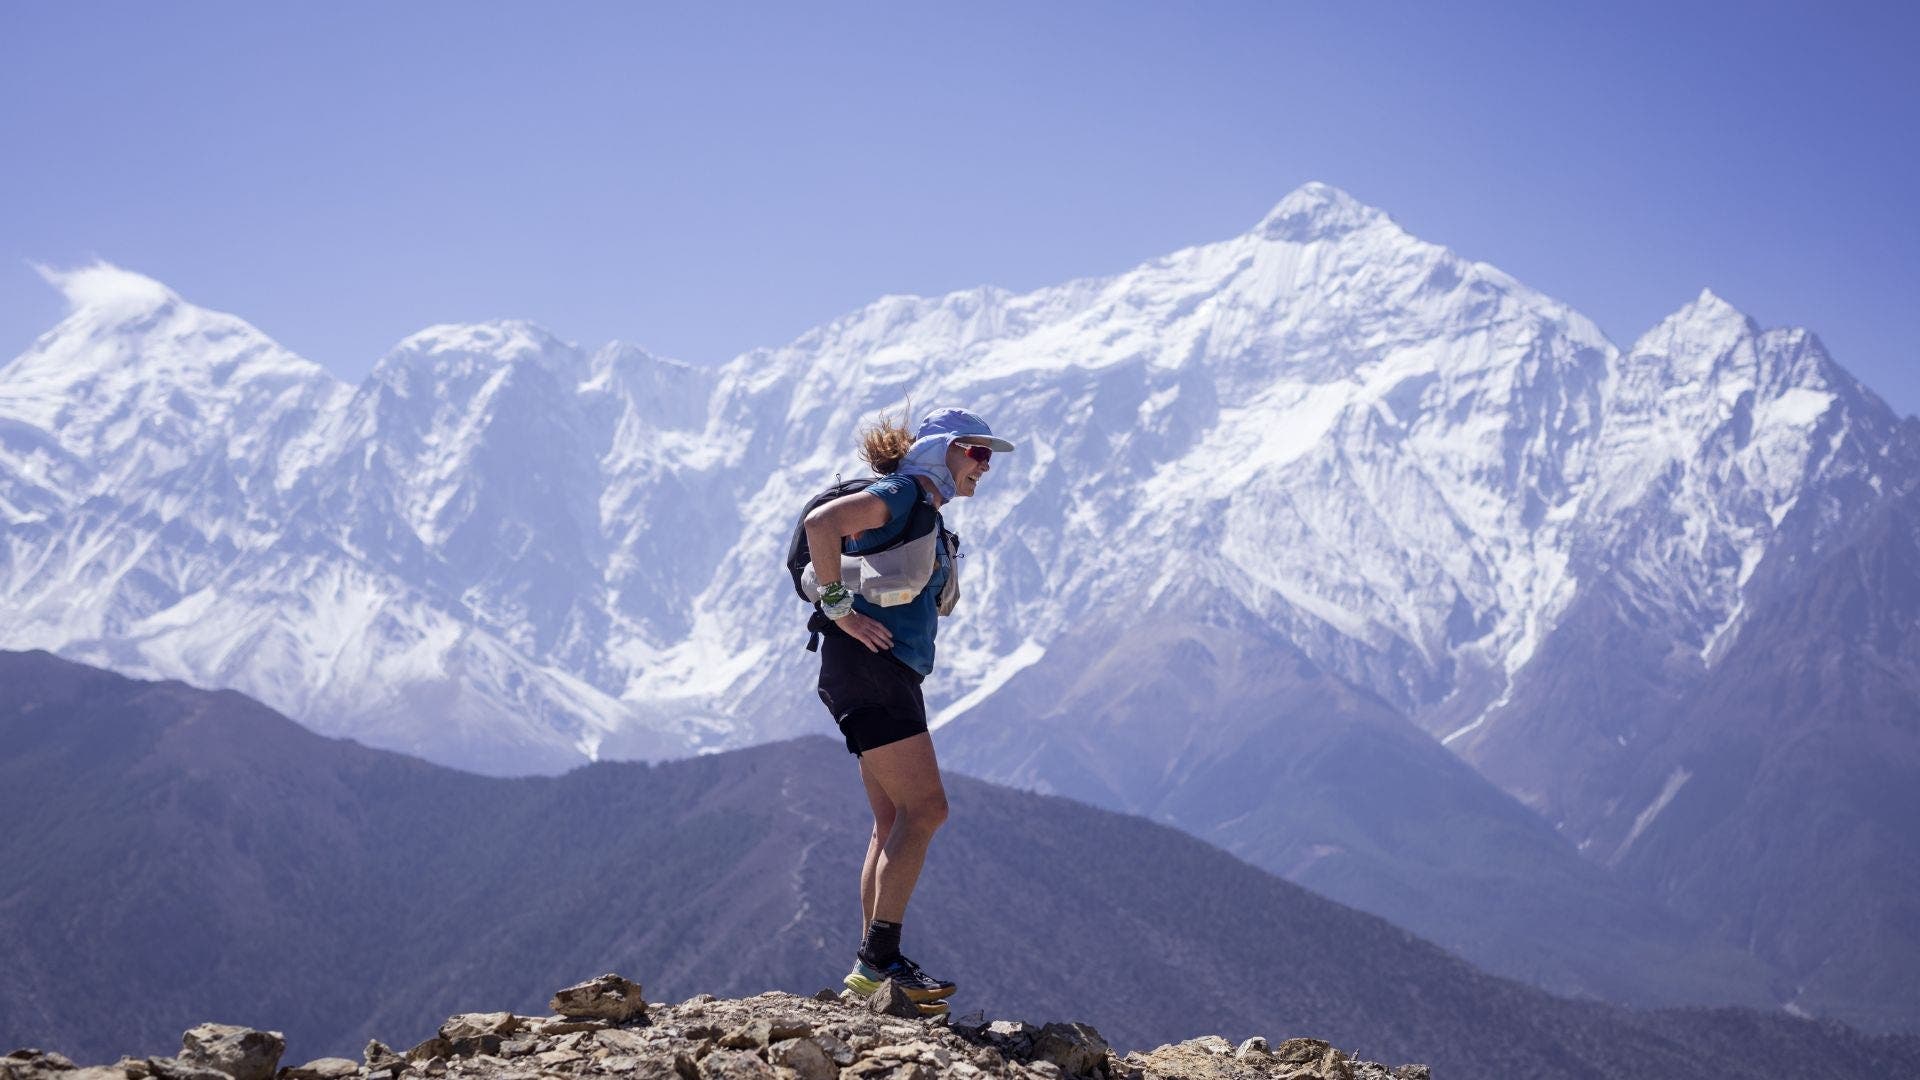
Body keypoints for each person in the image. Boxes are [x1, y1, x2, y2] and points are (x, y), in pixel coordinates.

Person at [801, 405, 1015, 1015]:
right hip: (870, 675)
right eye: (976, 452)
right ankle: (881, 958)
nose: (985, 466)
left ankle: (870, 982)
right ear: (943, 448)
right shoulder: (900, 492)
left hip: (879, 674)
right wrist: (839, 605)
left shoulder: (924, 509)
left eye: (989, 457)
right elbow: (823, 524)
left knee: (893, 818)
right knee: (927, 810)